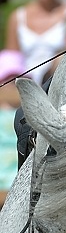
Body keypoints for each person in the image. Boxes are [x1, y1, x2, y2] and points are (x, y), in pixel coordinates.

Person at [0, 50, 24, 206]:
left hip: (21, 186)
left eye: (19, 79)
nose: (15, 85)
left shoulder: (28, 115)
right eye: (9, 80)